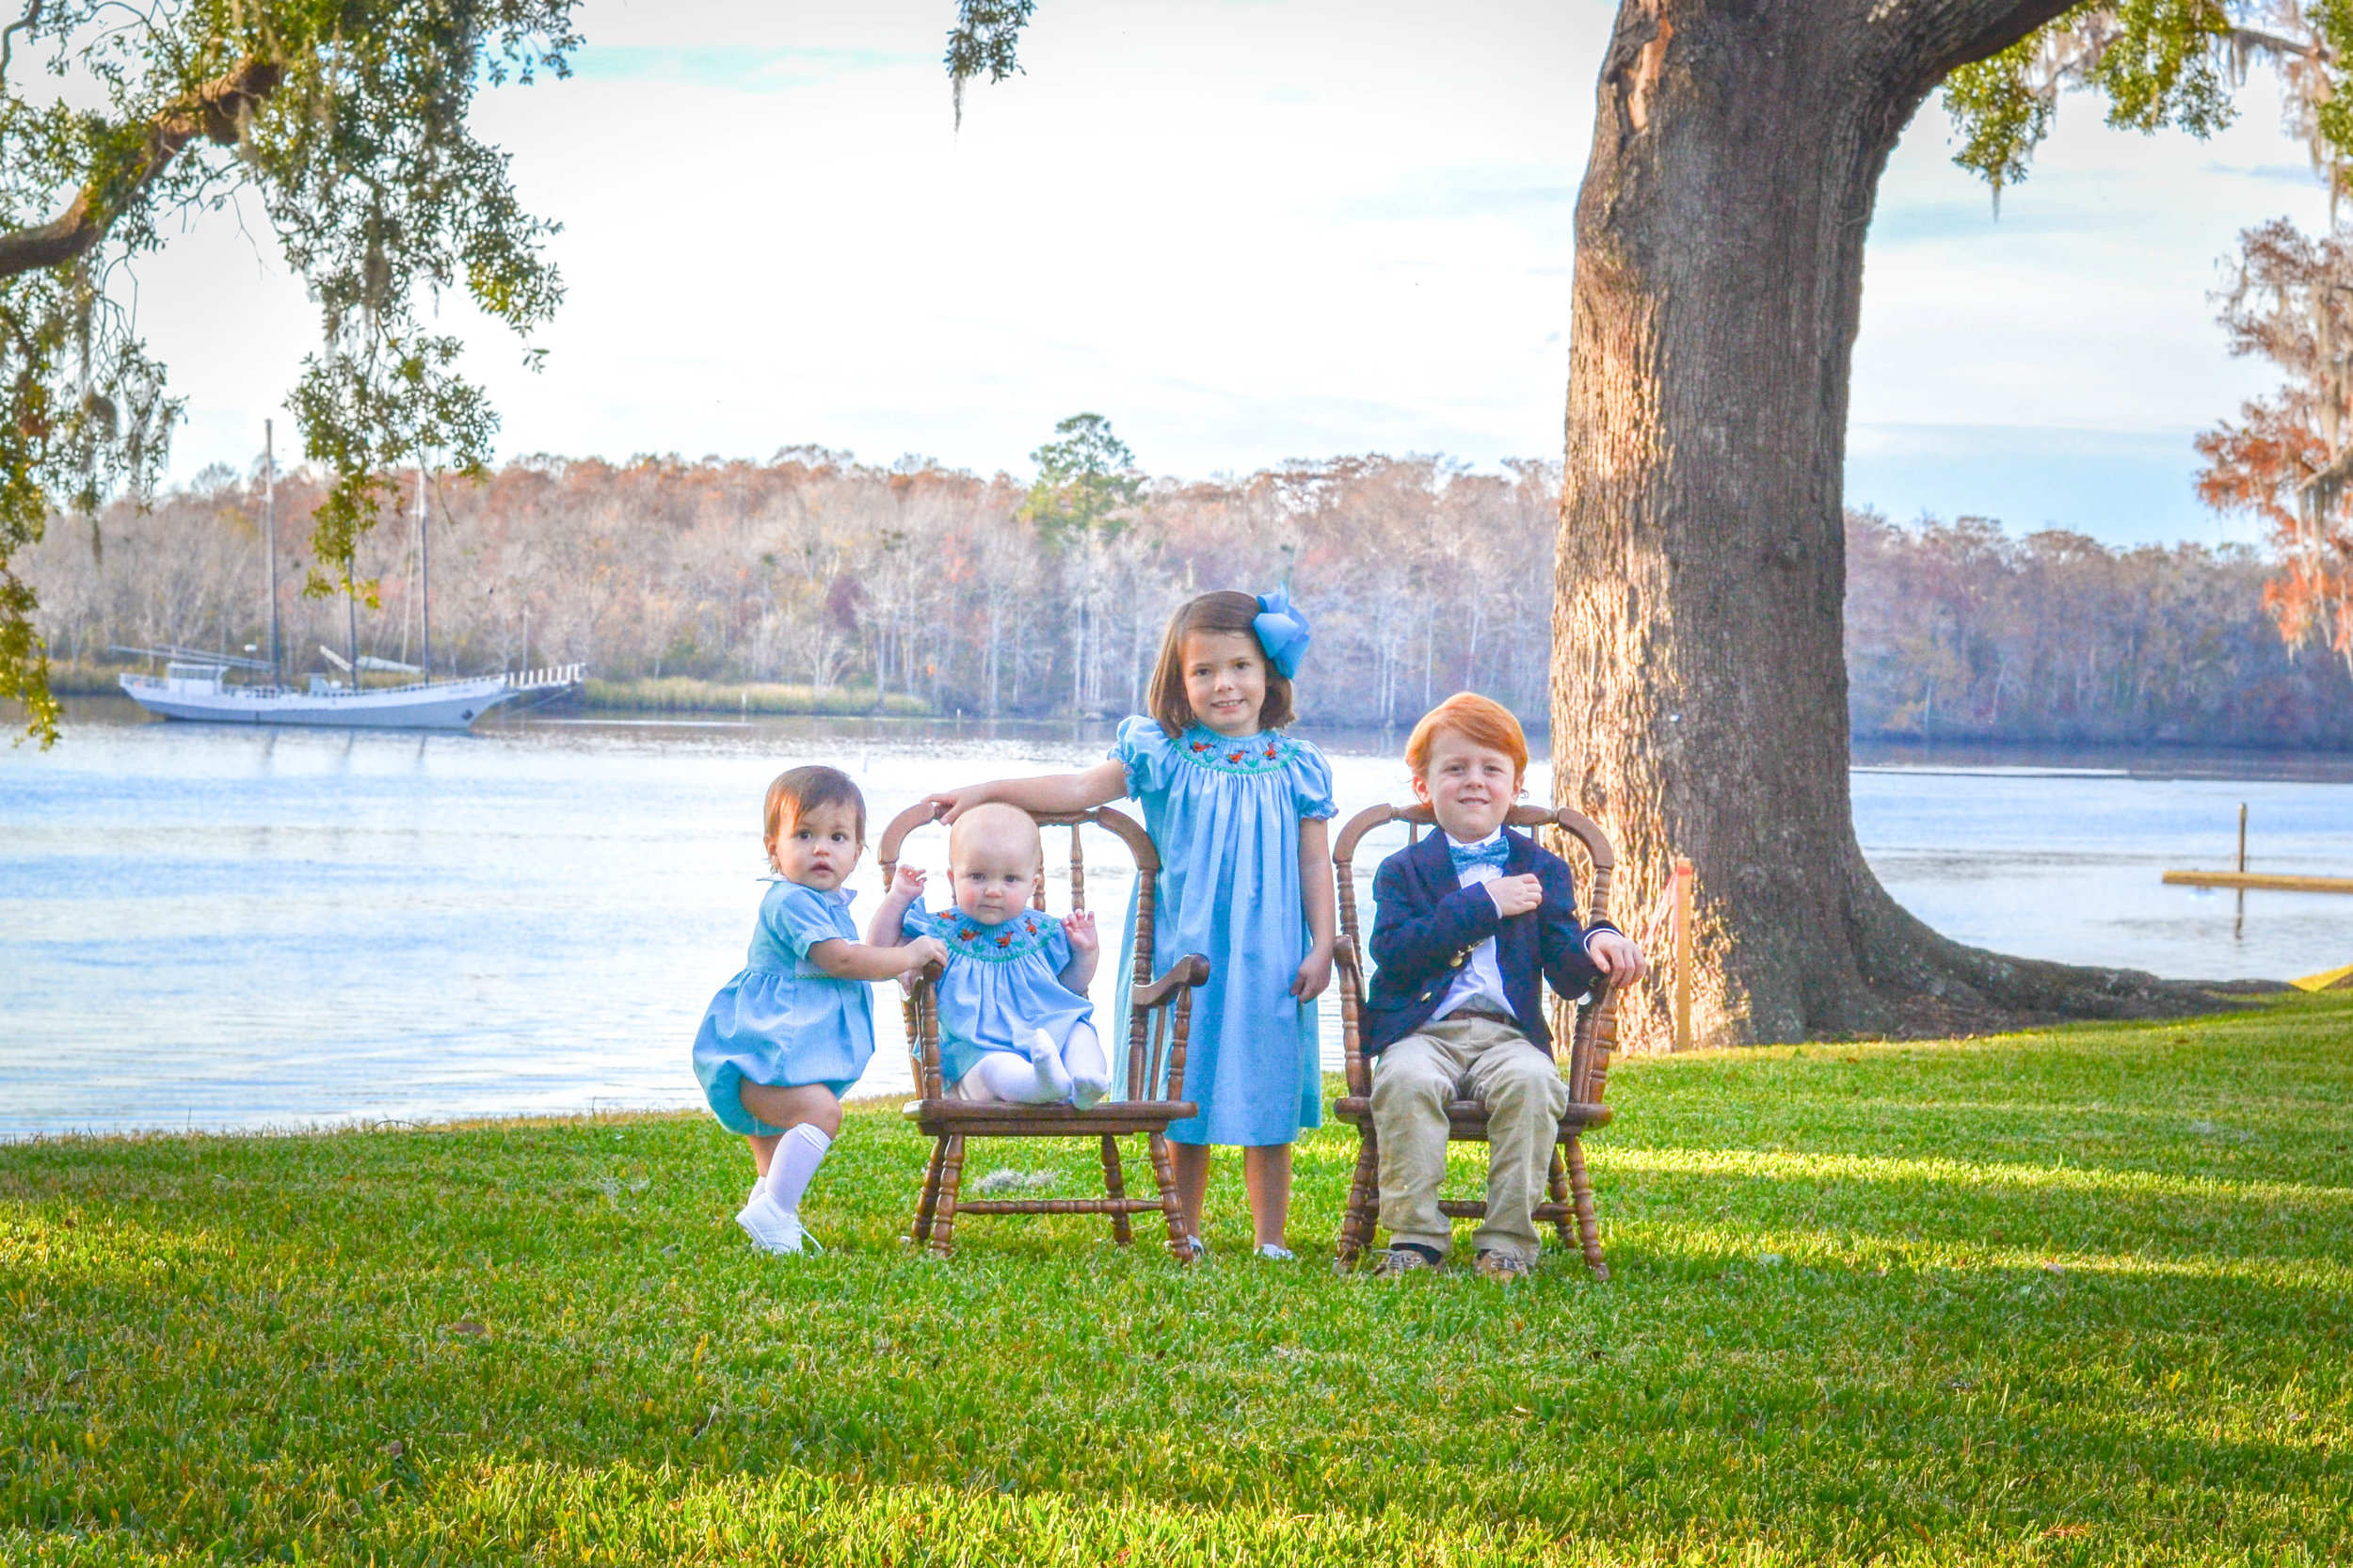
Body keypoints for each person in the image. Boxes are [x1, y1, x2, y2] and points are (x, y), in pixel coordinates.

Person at [921, 588, 1335, 1260]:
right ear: (1179, 681)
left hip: (1272, 950)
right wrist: (987, 791)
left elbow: (1314, 862)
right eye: (1202, 671)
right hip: (1186, 951)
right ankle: (1188, 1227)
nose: (1223, 684)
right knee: (1187, 1086)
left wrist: (1322, 944)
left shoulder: (1298, 765)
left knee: (1267, 1083)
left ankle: (1271, 1239)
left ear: (1269, 675)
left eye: (1240, 667)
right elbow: (1080, 789)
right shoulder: (1165, 754)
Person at [1360, 693, 1648, 1280]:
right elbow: (1394, 953)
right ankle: (1415, 1239)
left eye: (1492, 769)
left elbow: (1567, 972)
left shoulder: (1542, 868)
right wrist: (1483, 903)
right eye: (1455, 768)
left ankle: (1507, 1241)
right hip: (1423, 1029)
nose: (1474, 782)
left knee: (1535, 1083)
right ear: (1424, 786)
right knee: (1406, 1081)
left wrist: (1599, 939)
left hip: (1507, 1034)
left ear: (1515, 786)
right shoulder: (1404, 871)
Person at [691, 765, 946, 1256]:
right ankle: (774, 1214)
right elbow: (844, 959)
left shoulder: (824, 902)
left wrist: (896, 901)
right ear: (774, 848)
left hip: (782, 1048)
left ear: (856, 853)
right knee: (822, 1112)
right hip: (764, 1050)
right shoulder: (790, 902)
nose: (821, 848)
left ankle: (770, 1224)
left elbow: (867, 947)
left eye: (837, 837)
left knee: (773, 1152)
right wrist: (909, 956)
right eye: (803, 835)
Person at [868, 802, 1110, 1106]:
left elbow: (1069, 987)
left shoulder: (1042, 932)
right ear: (953, 877)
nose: (993, 890)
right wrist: (897, 898)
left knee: (1078, 1031)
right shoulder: (939, 932)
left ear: (1032, 884)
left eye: (1010, 879)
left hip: (1044, 1033)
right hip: (977, 1052)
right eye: (978, 876)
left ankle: (1085, 1082)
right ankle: (1039, 1085)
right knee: (997, 1068)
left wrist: (1087, 952)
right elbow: (878, 952)